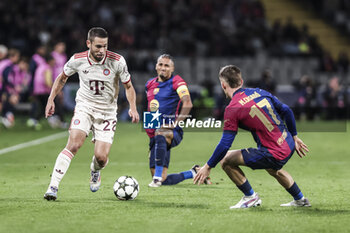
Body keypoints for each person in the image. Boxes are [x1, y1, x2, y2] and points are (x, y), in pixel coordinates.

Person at [194, 65, 310, 208]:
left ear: (223, 85)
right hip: (288, 143)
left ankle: (250, 197)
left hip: (274, 152)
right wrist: (295, 136)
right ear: (241, 82)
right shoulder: (259, 91)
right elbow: (286, 110)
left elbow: (225, 144)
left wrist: (208, 166)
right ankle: (301, 200)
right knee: (272, 168)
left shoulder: (232, 108)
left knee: (225, 160)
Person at [44, 27, 139, 200]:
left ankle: (95, 171)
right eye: (98, 46)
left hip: (108, 112)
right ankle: (53, 186)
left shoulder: (117, 61)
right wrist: (51, 99)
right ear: (88, 44)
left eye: (105, 46)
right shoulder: (77, 60)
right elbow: (62, 77)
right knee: (73, 144)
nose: (102, 50)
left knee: (101, 158)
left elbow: (128, 86)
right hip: (85, 107)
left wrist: (132, 107)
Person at [145, 54, 210, 187]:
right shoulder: (149, 84)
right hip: (155, 136)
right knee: (164, 181)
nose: (163, 68)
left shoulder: (177, 82)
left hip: (171, 132)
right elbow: (152, 110)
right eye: (160, 64)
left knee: (162, 131)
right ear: (156, 66)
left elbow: (187, 102)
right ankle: (192, 172)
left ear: (172, 69)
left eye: (167, 65)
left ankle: (157, 177)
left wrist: (175, 123)